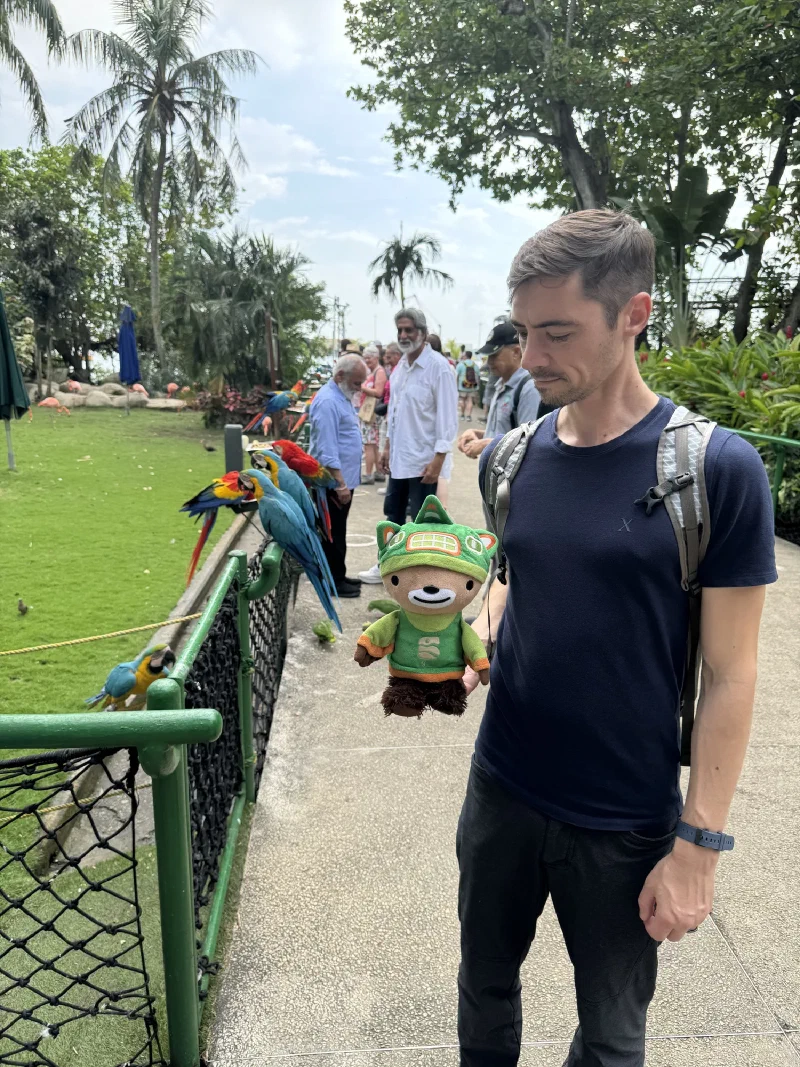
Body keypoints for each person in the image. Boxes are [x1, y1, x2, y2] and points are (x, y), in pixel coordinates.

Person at [458, 210, 777, 1066]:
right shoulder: (510, 458)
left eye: (558, 332)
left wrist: (699, 845)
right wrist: (469, 644)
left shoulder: (715, 471)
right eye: (525, 330)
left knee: (610, 1038)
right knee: (483, 989)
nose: (531, 355)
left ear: (634, 314)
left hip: (623, 819)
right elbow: (513, 576)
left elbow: (732, 673)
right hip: (501, 788)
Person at [358, 307, 458, 583]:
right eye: (400, 330)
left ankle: (420, 575)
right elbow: (395, 412)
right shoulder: (400, 367)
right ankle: (388, 565)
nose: (403, 335)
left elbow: (448, 418)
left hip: (424, 460)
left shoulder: (439, 368)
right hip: (400, 457)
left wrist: (439, 459)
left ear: (422, 333)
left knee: (423, 521)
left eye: (409, 330)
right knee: (393, 513)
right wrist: (387, 447)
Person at [308, 353, 367, 598]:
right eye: (356, 383)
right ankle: (333, 581)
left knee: (338, 530)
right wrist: (340, 485)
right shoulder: (327, 402)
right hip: (332, 483)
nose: (360, 388)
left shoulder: (340, 396)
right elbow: (327, 449)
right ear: (340, 376)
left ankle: (338, 575)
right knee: (332, 534)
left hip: (341, 480)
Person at [457, 322, 540, 460]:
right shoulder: (501, 384)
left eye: (494, 355)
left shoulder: (529, 388)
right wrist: (477, 434)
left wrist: (486, 444)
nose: (489, 362)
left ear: (516, 352)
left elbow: (528, 443)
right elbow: (503, 432)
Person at [357, 344, 387, 484]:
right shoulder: (373, 371)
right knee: (373, 444)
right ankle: (378, 472)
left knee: (369, 444)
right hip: (370, 413)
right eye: (365, 358)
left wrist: (362, 388)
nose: (367, 360)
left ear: (376, 357)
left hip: (372, 414)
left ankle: (368, 474)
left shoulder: (379, 372)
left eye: (369, 358)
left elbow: (379, 392)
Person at [456, 350, 480, 420]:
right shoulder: (475, 365)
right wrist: (477, 386)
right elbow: (478, 376)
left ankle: (462, 415)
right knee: (470, 400)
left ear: (465, 356)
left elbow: (456, 375)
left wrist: (456, 385)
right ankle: (469, 416)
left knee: (462, 400)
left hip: (462, 385)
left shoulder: (461, 364)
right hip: (472, 386)